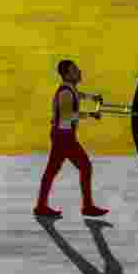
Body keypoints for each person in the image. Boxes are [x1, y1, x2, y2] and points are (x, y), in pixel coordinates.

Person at [34, 59, 109, 218]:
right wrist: (90, 114)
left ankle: (41, 206)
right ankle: (87, 206)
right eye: (75, 70)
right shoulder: (66, 93)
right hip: (64, 137)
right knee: (85, 166)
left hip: (62, 135)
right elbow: (68, 116)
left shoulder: (70, 89)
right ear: (68, 74)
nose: (79, 72)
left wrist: (92, 97)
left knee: (52, 170)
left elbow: (78, 95)